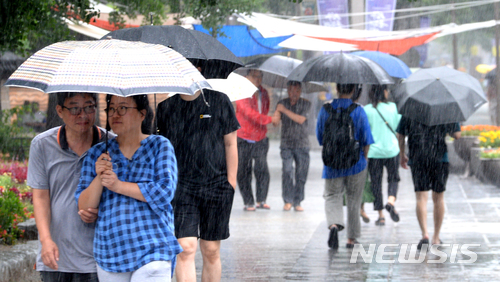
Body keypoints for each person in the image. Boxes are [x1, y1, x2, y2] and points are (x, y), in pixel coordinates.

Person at [76, 94, 182, 281]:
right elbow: (84, 206)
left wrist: (117, 185)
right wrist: (100, 177)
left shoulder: (159, 146)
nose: (115, 114)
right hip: (111, 252)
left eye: (123, 108)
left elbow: (164, 191)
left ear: (142, 114)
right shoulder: (97, 153)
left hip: (153, 248)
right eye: (111, 109)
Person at [155, 88, 240, 282]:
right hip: (181, 187)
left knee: (211, 249)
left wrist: (231, 184)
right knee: (185, 248)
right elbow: (160, 147)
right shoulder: (166, 107)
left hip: (217, 185)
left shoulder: (219, 100)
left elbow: (230, 143)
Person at [28, 92, 106, 282]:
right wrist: (45, 241)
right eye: (74, 108)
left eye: (89, 107)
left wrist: (101, 210)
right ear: (60, 111)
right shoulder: (42, 145)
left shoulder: (110, 144)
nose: (83, 115)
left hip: (98, 259)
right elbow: (40, 198)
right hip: (56, 258)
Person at [316, 83, 374, 249]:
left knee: (333, 195)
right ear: (353, 90)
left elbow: (320, 138)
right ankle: (351, 238)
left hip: (332, 163)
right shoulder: (358, 110)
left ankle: (334, 225)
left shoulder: (325, 110)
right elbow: (366, 140)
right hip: (356, 163)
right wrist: (365, 158)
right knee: (354, 200)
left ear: (337, 89)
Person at [396, 116, 461, 249]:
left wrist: (402, 154)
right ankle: (436, 237)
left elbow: (400, 134)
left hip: (418, 158)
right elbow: (457, 135)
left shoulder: (411, 109)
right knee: (439, 197)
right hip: (439, 158)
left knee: (421, 198)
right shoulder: (445, 109)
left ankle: (425, 234)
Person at [236, 69, 279, 211]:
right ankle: (248, 201)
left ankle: (261, 199)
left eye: (260, 76)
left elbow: (263, 110)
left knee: (262, 169)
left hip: (260, 137)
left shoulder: (264, 93)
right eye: (254, 76)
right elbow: (248, 113)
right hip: (244, 136)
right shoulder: (241, 92)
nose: (257, 79)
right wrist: (269, 120)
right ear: (246, 77)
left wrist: (265, 120)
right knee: (243, 170)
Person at [363, 85, 402, 226]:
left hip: (374, 152)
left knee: (376, 183)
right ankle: (391, 201)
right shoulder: (393, 107)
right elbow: (399, 128)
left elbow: (364, 132)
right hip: (392, 149)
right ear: (384, 92)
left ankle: (380, 216)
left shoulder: (367, 110)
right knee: (393, 178)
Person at [272, 81, 311, 211]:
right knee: (287, 171)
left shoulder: (306, 103)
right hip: (286, 144)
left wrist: (284, 110)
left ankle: (298, 201)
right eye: (291, 90)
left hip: (302, 144)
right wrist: (277, 113)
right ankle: (287, 200)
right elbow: (275, 123)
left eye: (296, 91)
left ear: (300, 91)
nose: (293, 94)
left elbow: (300, 119)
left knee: (301, 174)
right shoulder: (282, 103)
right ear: (288, 91)